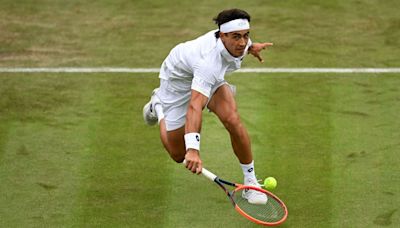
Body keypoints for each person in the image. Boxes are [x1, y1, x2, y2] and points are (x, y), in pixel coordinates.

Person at [143, 8, 273, 204]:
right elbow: (195, 106)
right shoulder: (207, 62)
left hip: (208, 80)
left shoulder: (237, 43)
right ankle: (158, 106)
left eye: (246, 36)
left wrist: (252, 47)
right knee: (179, 154)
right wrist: (193, 150)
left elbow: (243, 42)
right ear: (222, 36)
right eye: (236, 37)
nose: (242, 42)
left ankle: (251, 182)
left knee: (232, 118)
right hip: (178, 85)